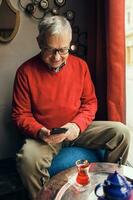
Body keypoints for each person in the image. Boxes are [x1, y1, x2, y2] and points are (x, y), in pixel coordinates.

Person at [12, 15, 130, 200]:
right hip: (47, 136)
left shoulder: (81, 66)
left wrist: (76, 126)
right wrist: (40, 131)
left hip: (77, 129)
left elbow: (90, 103)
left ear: (69, 43)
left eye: (63, 50)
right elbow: (20, 114)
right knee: (27, 159)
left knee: (121, 132)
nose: (56, 57)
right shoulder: (25, 72)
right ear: (39, 41)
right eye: (50, 50)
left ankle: (111, 186)